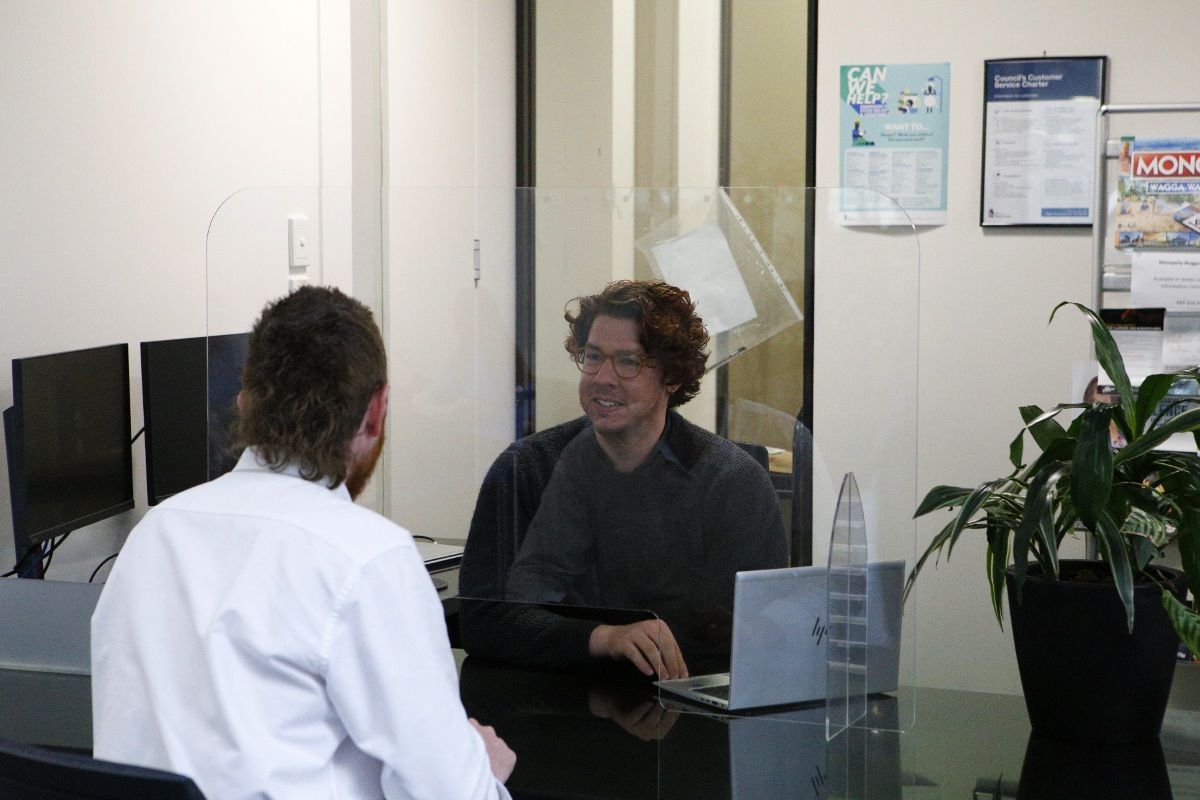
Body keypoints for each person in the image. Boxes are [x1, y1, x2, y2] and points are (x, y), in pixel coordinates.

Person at [91, 286, 515, 800]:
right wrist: (482, 769)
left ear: (244, 405)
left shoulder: (152, 536)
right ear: (376, 411)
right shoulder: (369, 557)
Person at [476, 280, 786, 679]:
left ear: (672, 378)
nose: (603, 377)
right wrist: (604, 638)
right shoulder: (524, 470)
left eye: (628, 362)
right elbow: (484, 619)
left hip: (686, 718)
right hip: (555, 711)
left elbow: (760, 638)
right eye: (593, 357)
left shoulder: (735, 483)